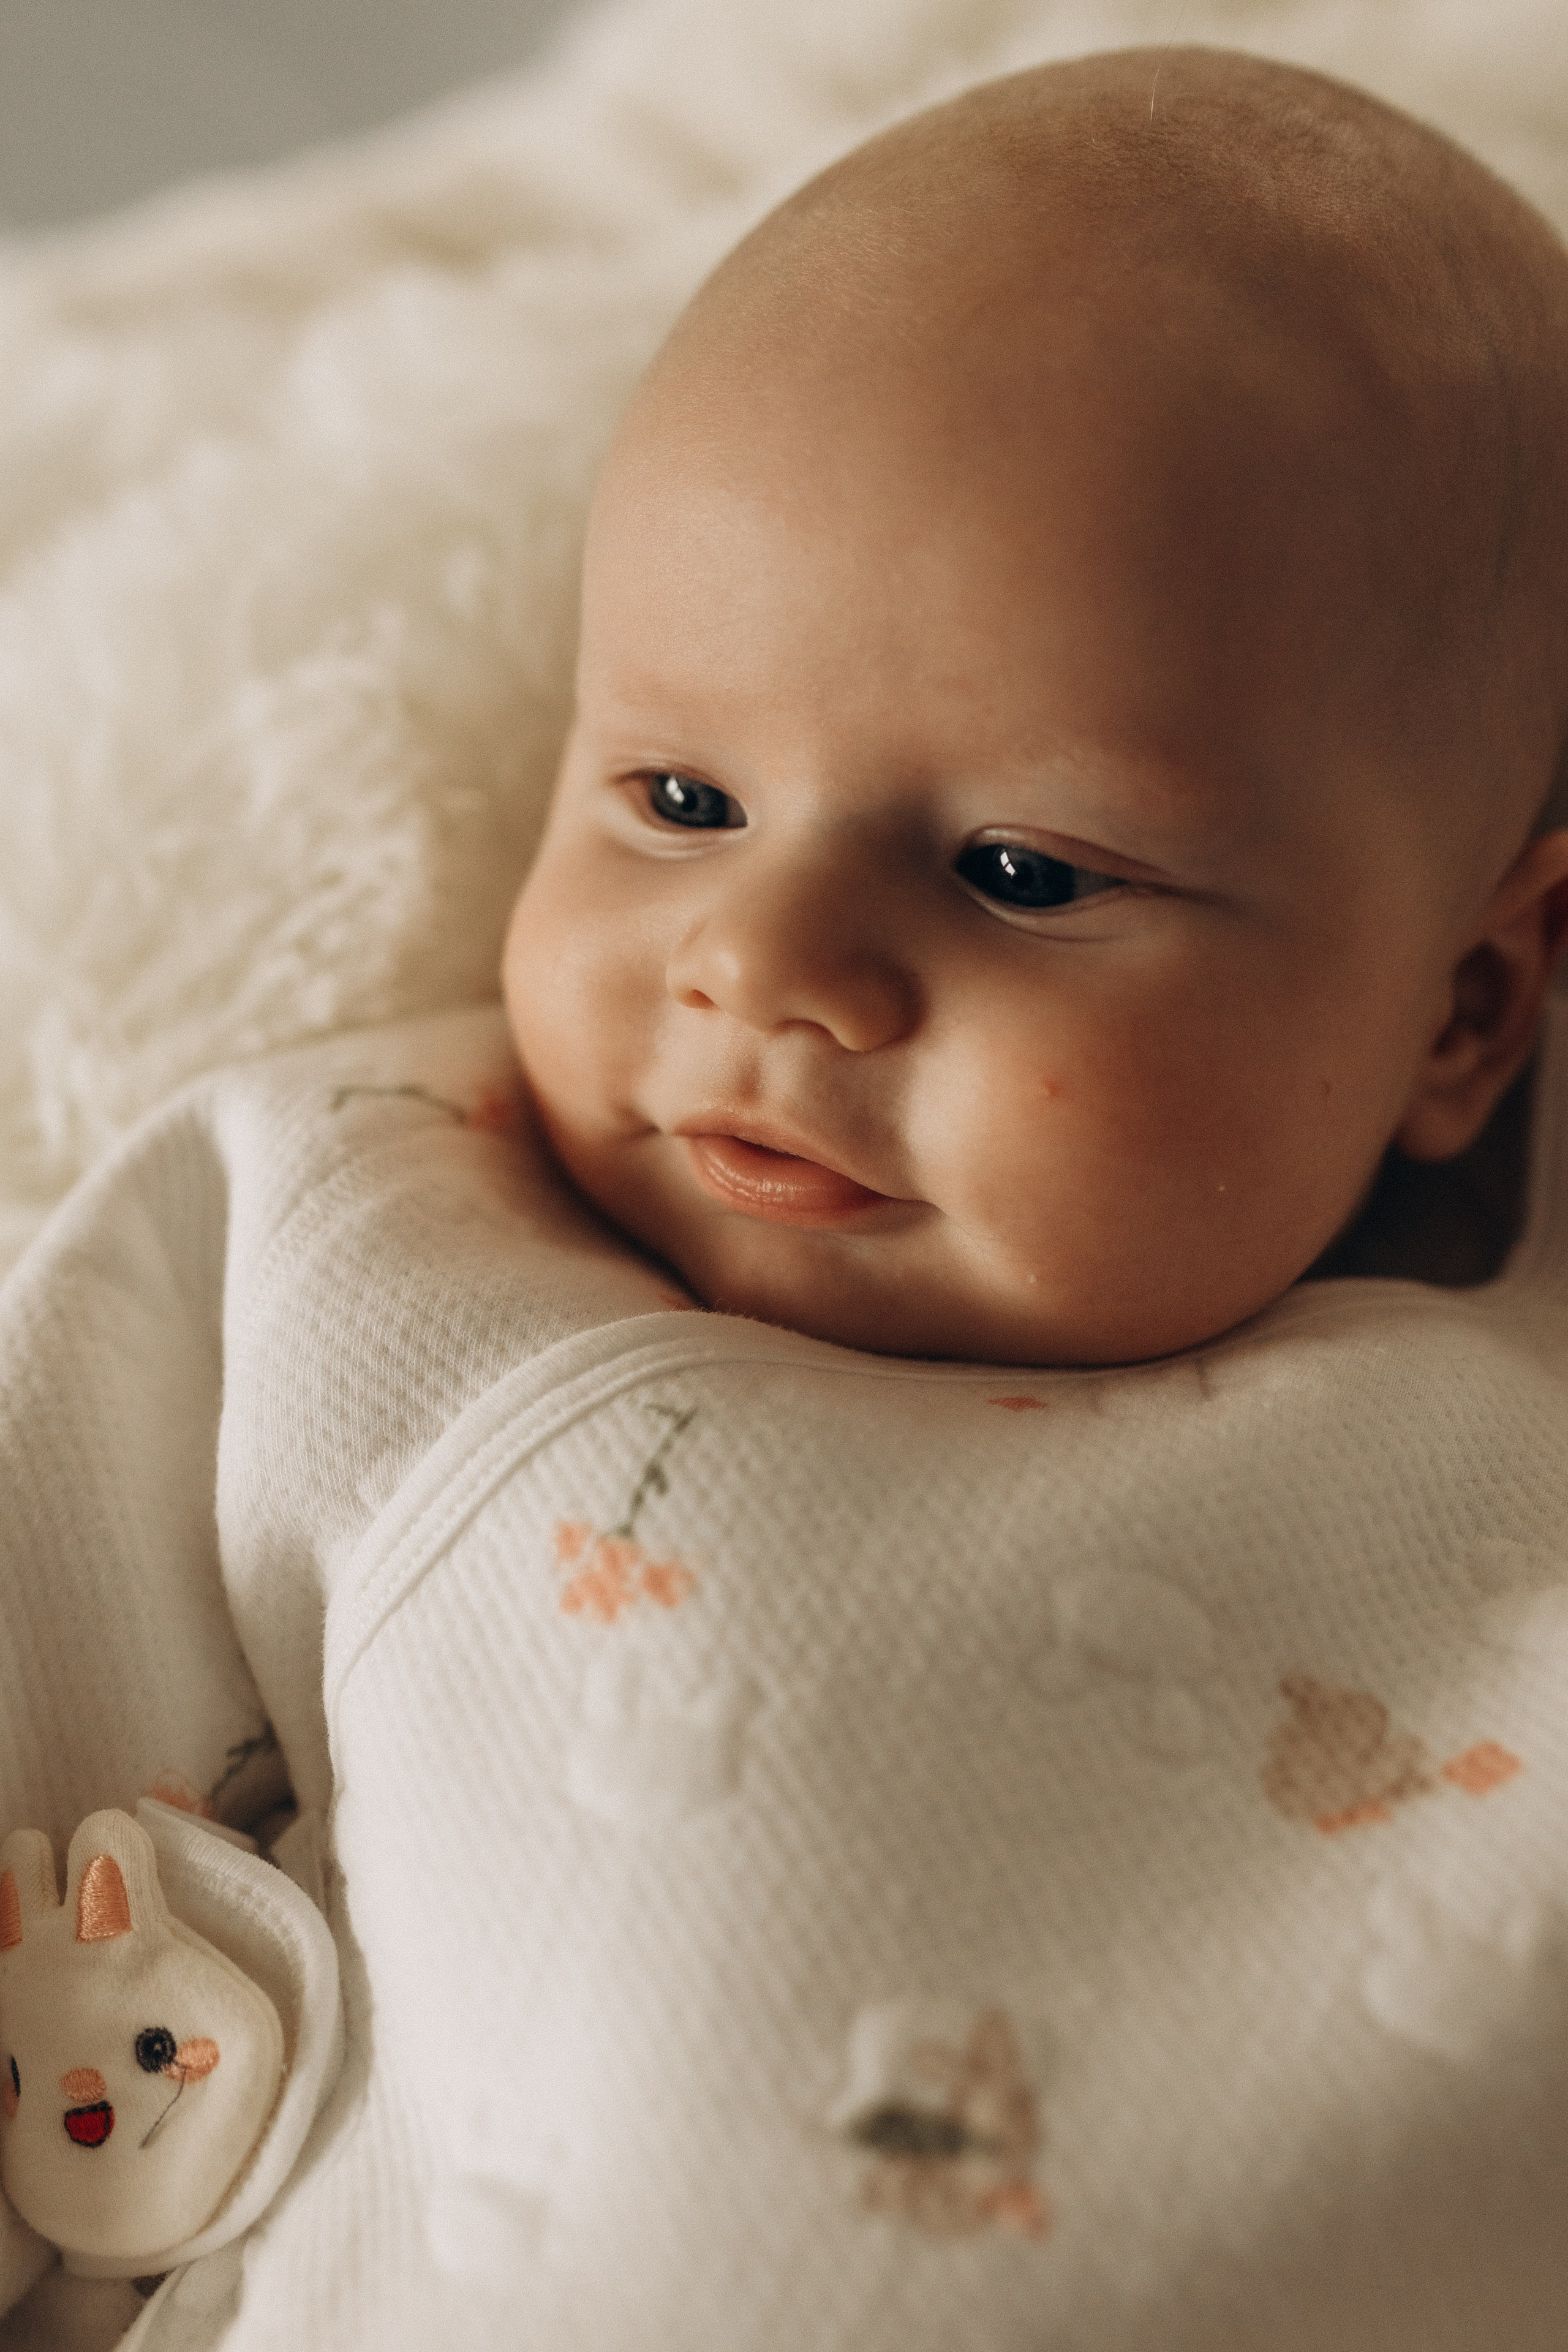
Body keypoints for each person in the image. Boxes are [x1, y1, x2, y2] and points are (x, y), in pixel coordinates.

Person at [1, 46, 1567, 2350]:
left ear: (1461, 1011)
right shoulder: (375, 1233)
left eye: (1021, 872)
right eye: (678, 794)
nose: (764, 966)